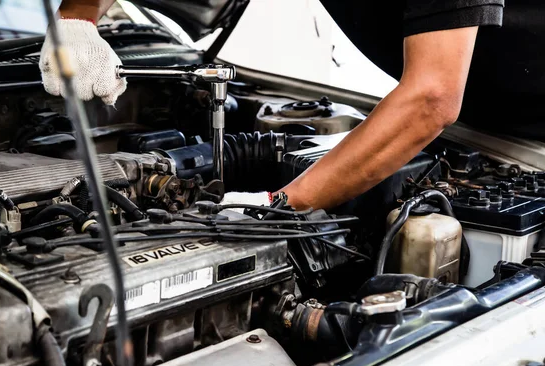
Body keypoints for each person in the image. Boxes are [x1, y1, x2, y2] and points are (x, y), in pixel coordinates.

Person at [42, 0, 522, 211]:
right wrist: (79, 16)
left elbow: (433, 98)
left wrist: (282, 204)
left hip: (526, 137)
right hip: (475, 107)